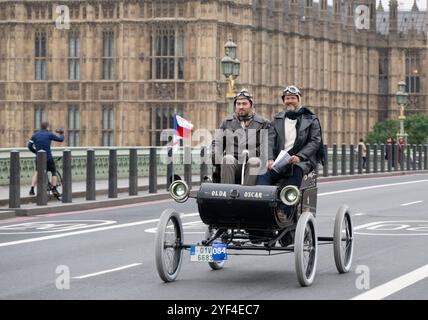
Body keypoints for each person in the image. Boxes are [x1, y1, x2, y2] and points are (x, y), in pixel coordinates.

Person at [257, 85, 324, 190]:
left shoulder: (311, 119)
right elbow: (269, 141)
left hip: (301, 161)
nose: (290, 101)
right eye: (287, 98)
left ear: (299, 100)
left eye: (293, 98)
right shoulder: (277, 120)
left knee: (296, 173)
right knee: (263, 174)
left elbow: (315, 141)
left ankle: (285, 206)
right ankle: (264, 203)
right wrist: (270, 159)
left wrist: (300, 156)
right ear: (283, 101)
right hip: (279, 161)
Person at [212, 89, 270, 185]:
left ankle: (247, 195)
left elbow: (266, 145)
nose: (241, 107)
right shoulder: (227, 122)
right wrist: (217, 157)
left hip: (253, 162)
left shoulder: (263, 123)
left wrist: (252, 153)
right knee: (227, 159)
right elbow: (217, 143)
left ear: (251, 105)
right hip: (234, 162)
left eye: (244, 104)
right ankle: (227, 195)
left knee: (254, 161)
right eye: (238, 104)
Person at [28, 122, 65, 197]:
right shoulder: (49, 134)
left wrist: (36, 152)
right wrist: (62, 133)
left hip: (39, 157)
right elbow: (60, 140)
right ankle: (54, 188)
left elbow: (29, 146)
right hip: (48, 157)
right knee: (53, 171)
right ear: (47, 127)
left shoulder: (35, 135)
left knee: (37, 171)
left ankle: (32, 189)